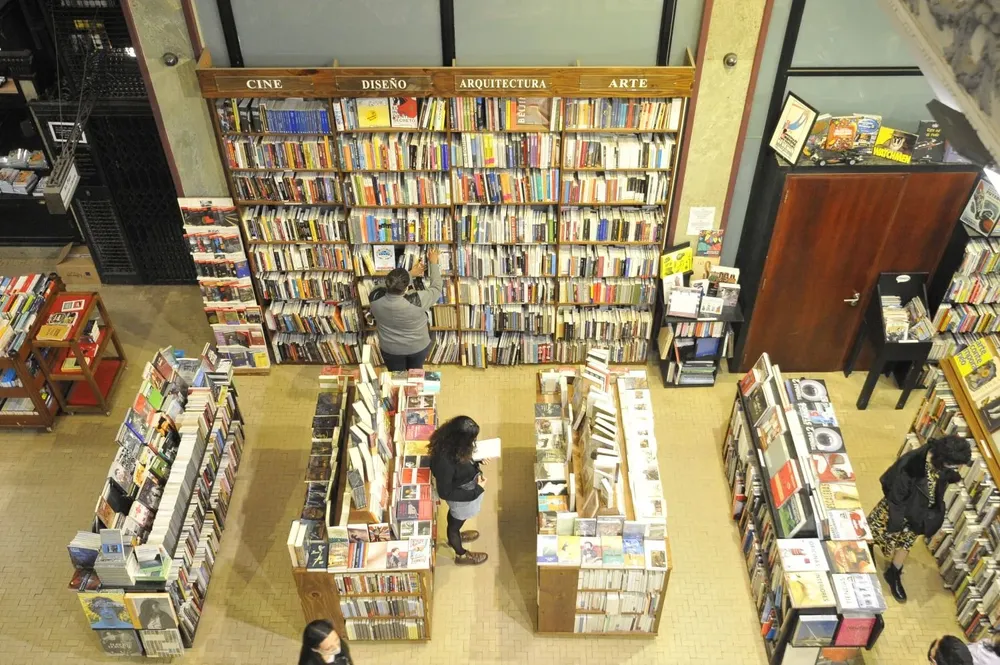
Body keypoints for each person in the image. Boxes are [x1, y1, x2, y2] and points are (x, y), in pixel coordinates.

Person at [867, 435, 971, 602]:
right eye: (953, 465)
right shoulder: (913, 463)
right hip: (896, 510)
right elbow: (896, 494)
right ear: (942, 458)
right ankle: (866, 552)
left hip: (918, 514)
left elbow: (941, 482)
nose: (955, 468)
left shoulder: (942, 465)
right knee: (877, 530)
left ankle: (893, 572)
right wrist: (898, 520)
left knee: (906, 543)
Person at [369, 248, 443, 371]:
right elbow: (436, 288)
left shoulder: (374, 295)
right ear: (406, 288)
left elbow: (382, 286)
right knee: (415, 375)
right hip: (417, 346)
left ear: (387, 282)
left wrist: (409, 274)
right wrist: (433, 263)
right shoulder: (417, 300)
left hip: (390, 349)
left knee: (396, 378)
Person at [428, 415, 488, 565]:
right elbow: (445, 492)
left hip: (465, 488)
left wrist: (477, 458)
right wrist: (477, 490)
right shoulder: (445, 462)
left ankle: (456, 535)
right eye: (470, 440)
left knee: (455, 520)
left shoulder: (447, 441)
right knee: (454, 525)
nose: (473, 443)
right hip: (463, 496)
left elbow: (462, 462)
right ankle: (460, 554)